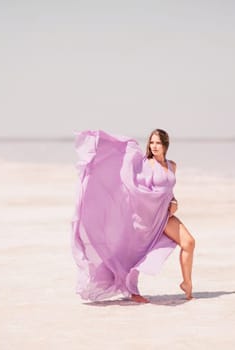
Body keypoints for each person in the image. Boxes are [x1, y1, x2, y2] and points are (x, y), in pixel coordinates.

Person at [71, 129, 196, 303]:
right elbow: (134, 187)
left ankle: (187, 283)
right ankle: (131, 290)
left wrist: (174, 201)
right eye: (151, 142)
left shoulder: (172, 165)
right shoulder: (147, 164)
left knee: (189, 243)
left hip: (165, 218)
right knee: (132, 255)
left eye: (158, 143)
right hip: (148, 219)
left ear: (166, 145)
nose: (154, 146)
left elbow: (167, 191)